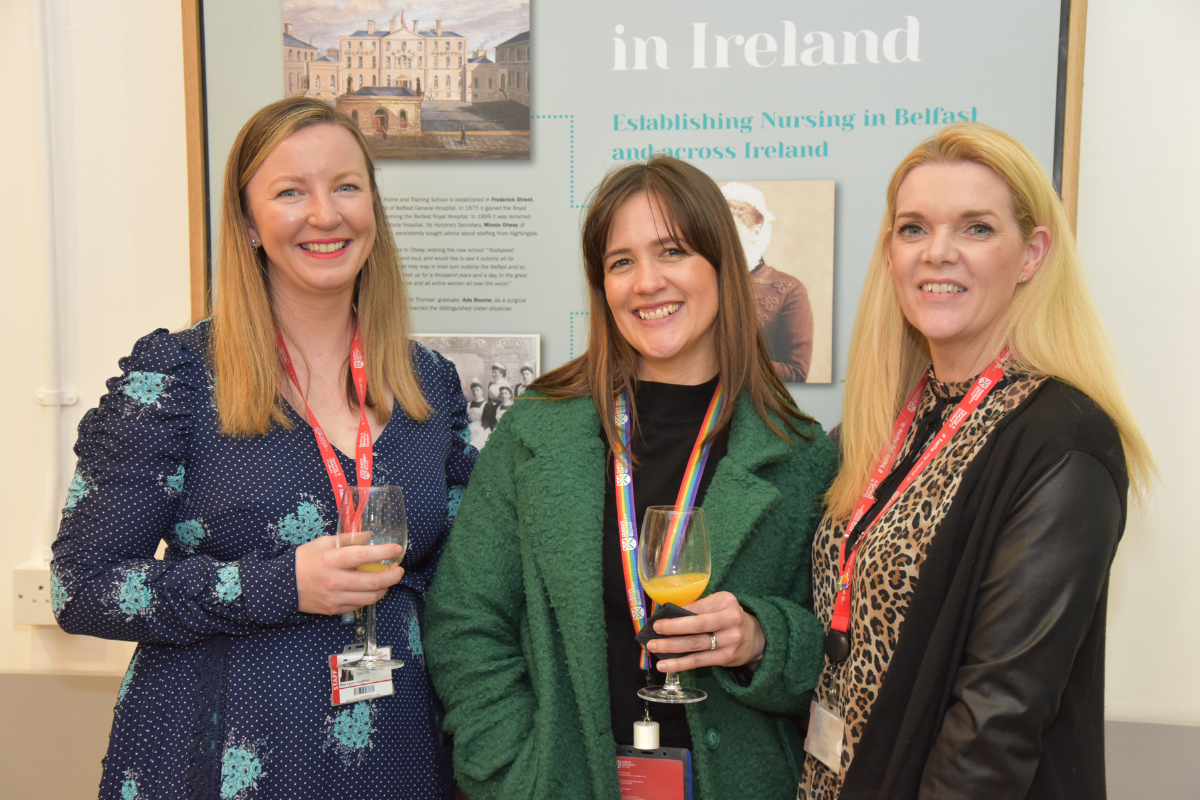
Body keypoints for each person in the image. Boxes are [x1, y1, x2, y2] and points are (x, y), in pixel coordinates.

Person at [51, 96, 476, 800]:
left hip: (397, 761)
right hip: (217, 759)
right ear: (248, 222)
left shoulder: (429, 385)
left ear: (373, 206)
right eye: (290, 192)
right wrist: (279, 585)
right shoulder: (178, 380)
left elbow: (463, 585)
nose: (325, 214)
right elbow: (81, 587)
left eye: (346, 186)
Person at [425, 155, 837, 800]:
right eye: (621, 262)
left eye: (672, 251)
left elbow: (838, 652)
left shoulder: (800, 454)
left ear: (723, 265)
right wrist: (512, 774)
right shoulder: (537, 431)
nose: (646, 282)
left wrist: (763, 639)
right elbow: (465, 620)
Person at [796, 123, 1153, 800]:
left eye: (976, 228)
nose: (938, 253)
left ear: (1031, 254)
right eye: (914, 228)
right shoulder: (881, 425)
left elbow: (996, 722)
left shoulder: (1063, 440)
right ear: (891, 252)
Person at [721, 182, 814, 383]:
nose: (725, 243)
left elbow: (797, 372)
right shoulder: (704, 281)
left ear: (756, 232)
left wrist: (731, 364)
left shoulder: (790, 289)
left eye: (734, 234)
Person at [466, 378, 489, 450]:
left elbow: (487, 421)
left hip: (482, 428)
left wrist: (477, 431)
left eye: (477, 390)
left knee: (475, 445)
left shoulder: (486, 404)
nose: (475, 392)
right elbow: (466, 418)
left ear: (482, 391)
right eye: (473, 391)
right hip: (470, 427)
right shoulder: (469, 404)